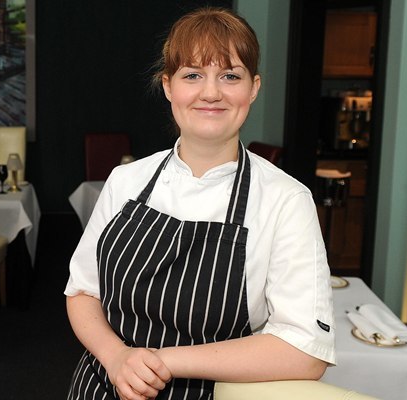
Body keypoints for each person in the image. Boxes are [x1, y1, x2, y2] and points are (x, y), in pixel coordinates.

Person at [64, 7, 336, 400]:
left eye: (230, 76)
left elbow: (305, 352)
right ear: (168, 86)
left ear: (253, 88)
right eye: (193, 75)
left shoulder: (286, 200)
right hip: (101, 386)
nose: (212, 92)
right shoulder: (126, 181)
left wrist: (161, 362)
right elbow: (83, 292)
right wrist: (116, 357)